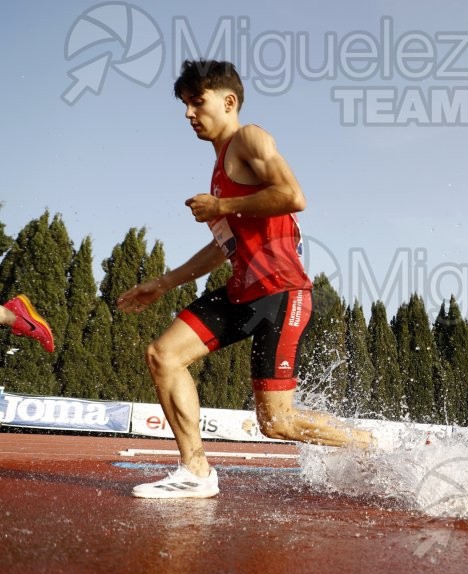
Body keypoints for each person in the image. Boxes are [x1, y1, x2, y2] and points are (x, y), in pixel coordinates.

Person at [117, 60, 372, 499]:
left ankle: (372, 446)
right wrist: (162, 283)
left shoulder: (249, 138)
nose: (188, 114)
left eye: (197, 102)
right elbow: (222, 248)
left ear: (228, 100)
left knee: (276, 423)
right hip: (242, 291)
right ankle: (195, 472)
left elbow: (293, 196)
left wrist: (220, 208)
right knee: (163, 355)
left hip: (280, 293)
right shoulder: (219, 171)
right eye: (184, 105)